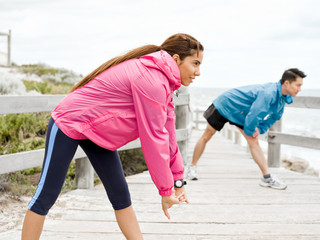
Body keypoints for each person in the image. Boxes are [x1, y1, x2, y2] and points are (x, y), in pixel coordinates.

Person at [21, 33, 204, 240]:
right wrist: (165, 190)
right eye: (195, 63)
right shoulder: (151, 80)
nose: (198, 72)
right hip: (69, 121)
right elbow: (154, 138)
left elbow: (168, 134)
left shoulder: (165, 84)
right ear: (176, 59)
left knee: (121, 195)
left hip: (97, 133)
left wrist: (177, 181)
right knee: (46, 195)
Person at [188, 68, 306, 190]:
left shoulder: (282, 98)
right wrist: (250, 131)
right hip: (225, 104)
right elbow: (255, 114)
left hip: (241, 113)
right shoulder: (269, 93)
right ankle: (192, 167)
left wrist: (260, 129)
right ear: (287, 83)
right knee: (207, 135)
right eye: (298, 85)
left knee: (253, 141)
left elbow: (275, 117)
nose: (299, 89)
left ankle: (267, 178)